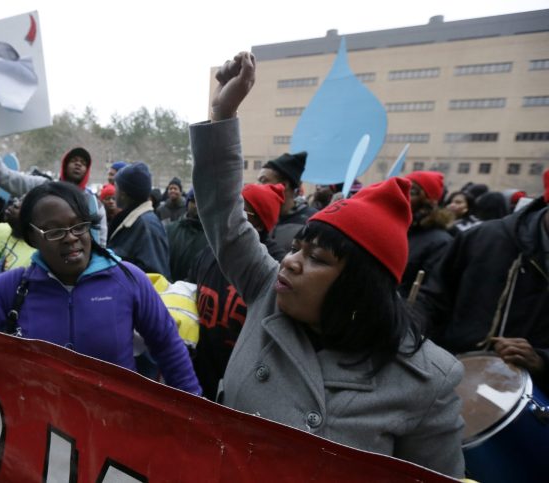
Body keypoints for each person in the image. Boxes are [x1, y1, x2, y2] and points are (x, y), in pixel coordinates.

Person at [190, 51, 464, 477]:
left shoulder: (428, 380)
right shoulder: (267, 296)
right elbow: (226, 221)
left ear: (360, 284)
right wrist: (223, 112)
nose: (291, 264)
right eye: (297, 248)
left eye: (316, 258)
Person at [0, 181, 200, 394]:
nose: (71, 238)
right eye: (54, 231)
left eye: (78, 226)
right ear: (32, 238)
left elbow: (168, 347)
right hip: (36, 440)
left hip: (116, 440)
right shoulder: (13, 286)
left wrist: (195, 419)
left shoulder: (128, 280)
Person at [418, 169, 549, 394]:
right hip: (444, 383)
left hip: (529, 406)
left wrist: (543, 360)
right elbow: (432, 300)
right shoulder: (483, 238)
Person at [189, 182, 287, 400]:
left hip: (243, 388)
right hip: (200, 378)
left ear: (259, 224)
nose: (228, 216)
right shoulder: (208, 253)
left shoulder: (277, 267)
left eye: (240, 211)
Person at [0, 112, 107, 245]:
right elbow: (3, 176)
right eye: (74, 160)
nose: (78, 164)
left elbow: (101, 243)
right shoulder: (43, 187)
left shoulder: (94, 205)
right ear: (64, 164)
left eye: (83, 163)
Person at [108, 162, 171, 278]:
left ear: (123, 193)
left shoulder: (147, 226)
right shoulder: (132, 220)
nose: (114, 192)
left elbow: (155, 279)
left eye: (116, 187)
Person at [399, 171, 453, 298]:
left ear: (429, 202)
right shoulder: (393, 230)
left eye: (412, 192)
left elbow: (431, 293)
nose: (403, 195)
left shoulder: (441, 243)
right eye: (401, 189)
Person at [257, 152, 317, 251]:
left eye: (263, 180)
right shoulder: (256, 218)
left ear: (284, 185)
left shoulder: (312, 221)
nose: (256, 186)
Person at [166, 189, 208, 281]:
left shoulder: (213, 237)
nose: (197, 206)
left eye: (201, 202)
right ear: (187, 203)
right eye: (193, 201)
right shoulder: (170, 229)